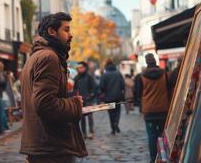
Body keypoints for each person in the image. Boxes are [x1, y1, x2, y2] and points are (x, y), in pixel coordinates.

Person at [20, 12, 87, 163]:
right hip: (51, 148)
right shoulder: (49, 57)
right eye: (66, 29)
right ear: (52, 31)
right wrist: (75, 104)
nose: (71, 35)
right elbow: (45, 104)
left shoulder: (35, 57)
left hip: (43, 145)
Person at [134, 53, 171, 163]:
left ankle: (153, 158)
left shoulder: (141, 76)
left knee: (151, 135)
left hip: (149, 111)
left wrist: (140, 105)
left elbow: (138, 93)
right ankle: (163, 157)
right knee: (162, 134)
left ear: (146, 62)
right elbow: (169, 89)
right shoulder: (164, 74)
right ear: (155, 61)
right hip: (163, 109)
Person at [100, 59, 125, 135]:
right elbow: (123, 85)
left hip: (108, 98)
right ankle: (116, 124)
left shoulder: (105, 74)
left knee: (111, 113)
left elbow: (102, 87)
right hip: (118, 96)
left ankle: (113, 128)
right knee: (117, 112)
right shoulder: (118, 73)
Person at [73, 61, 96, 139]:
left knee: (90, 116)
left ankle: (91, 132)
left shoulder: (89, 77)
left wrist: (90, 96)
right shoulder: (76, 78)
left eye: (81, 67)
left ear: (85, 68)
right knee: (82, 117)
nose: (80, 69)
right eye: (78, 68)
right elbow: (75, 89)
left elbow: (93, 88)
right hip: (80, 100)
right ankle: (84, 133)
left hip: (88, 100)